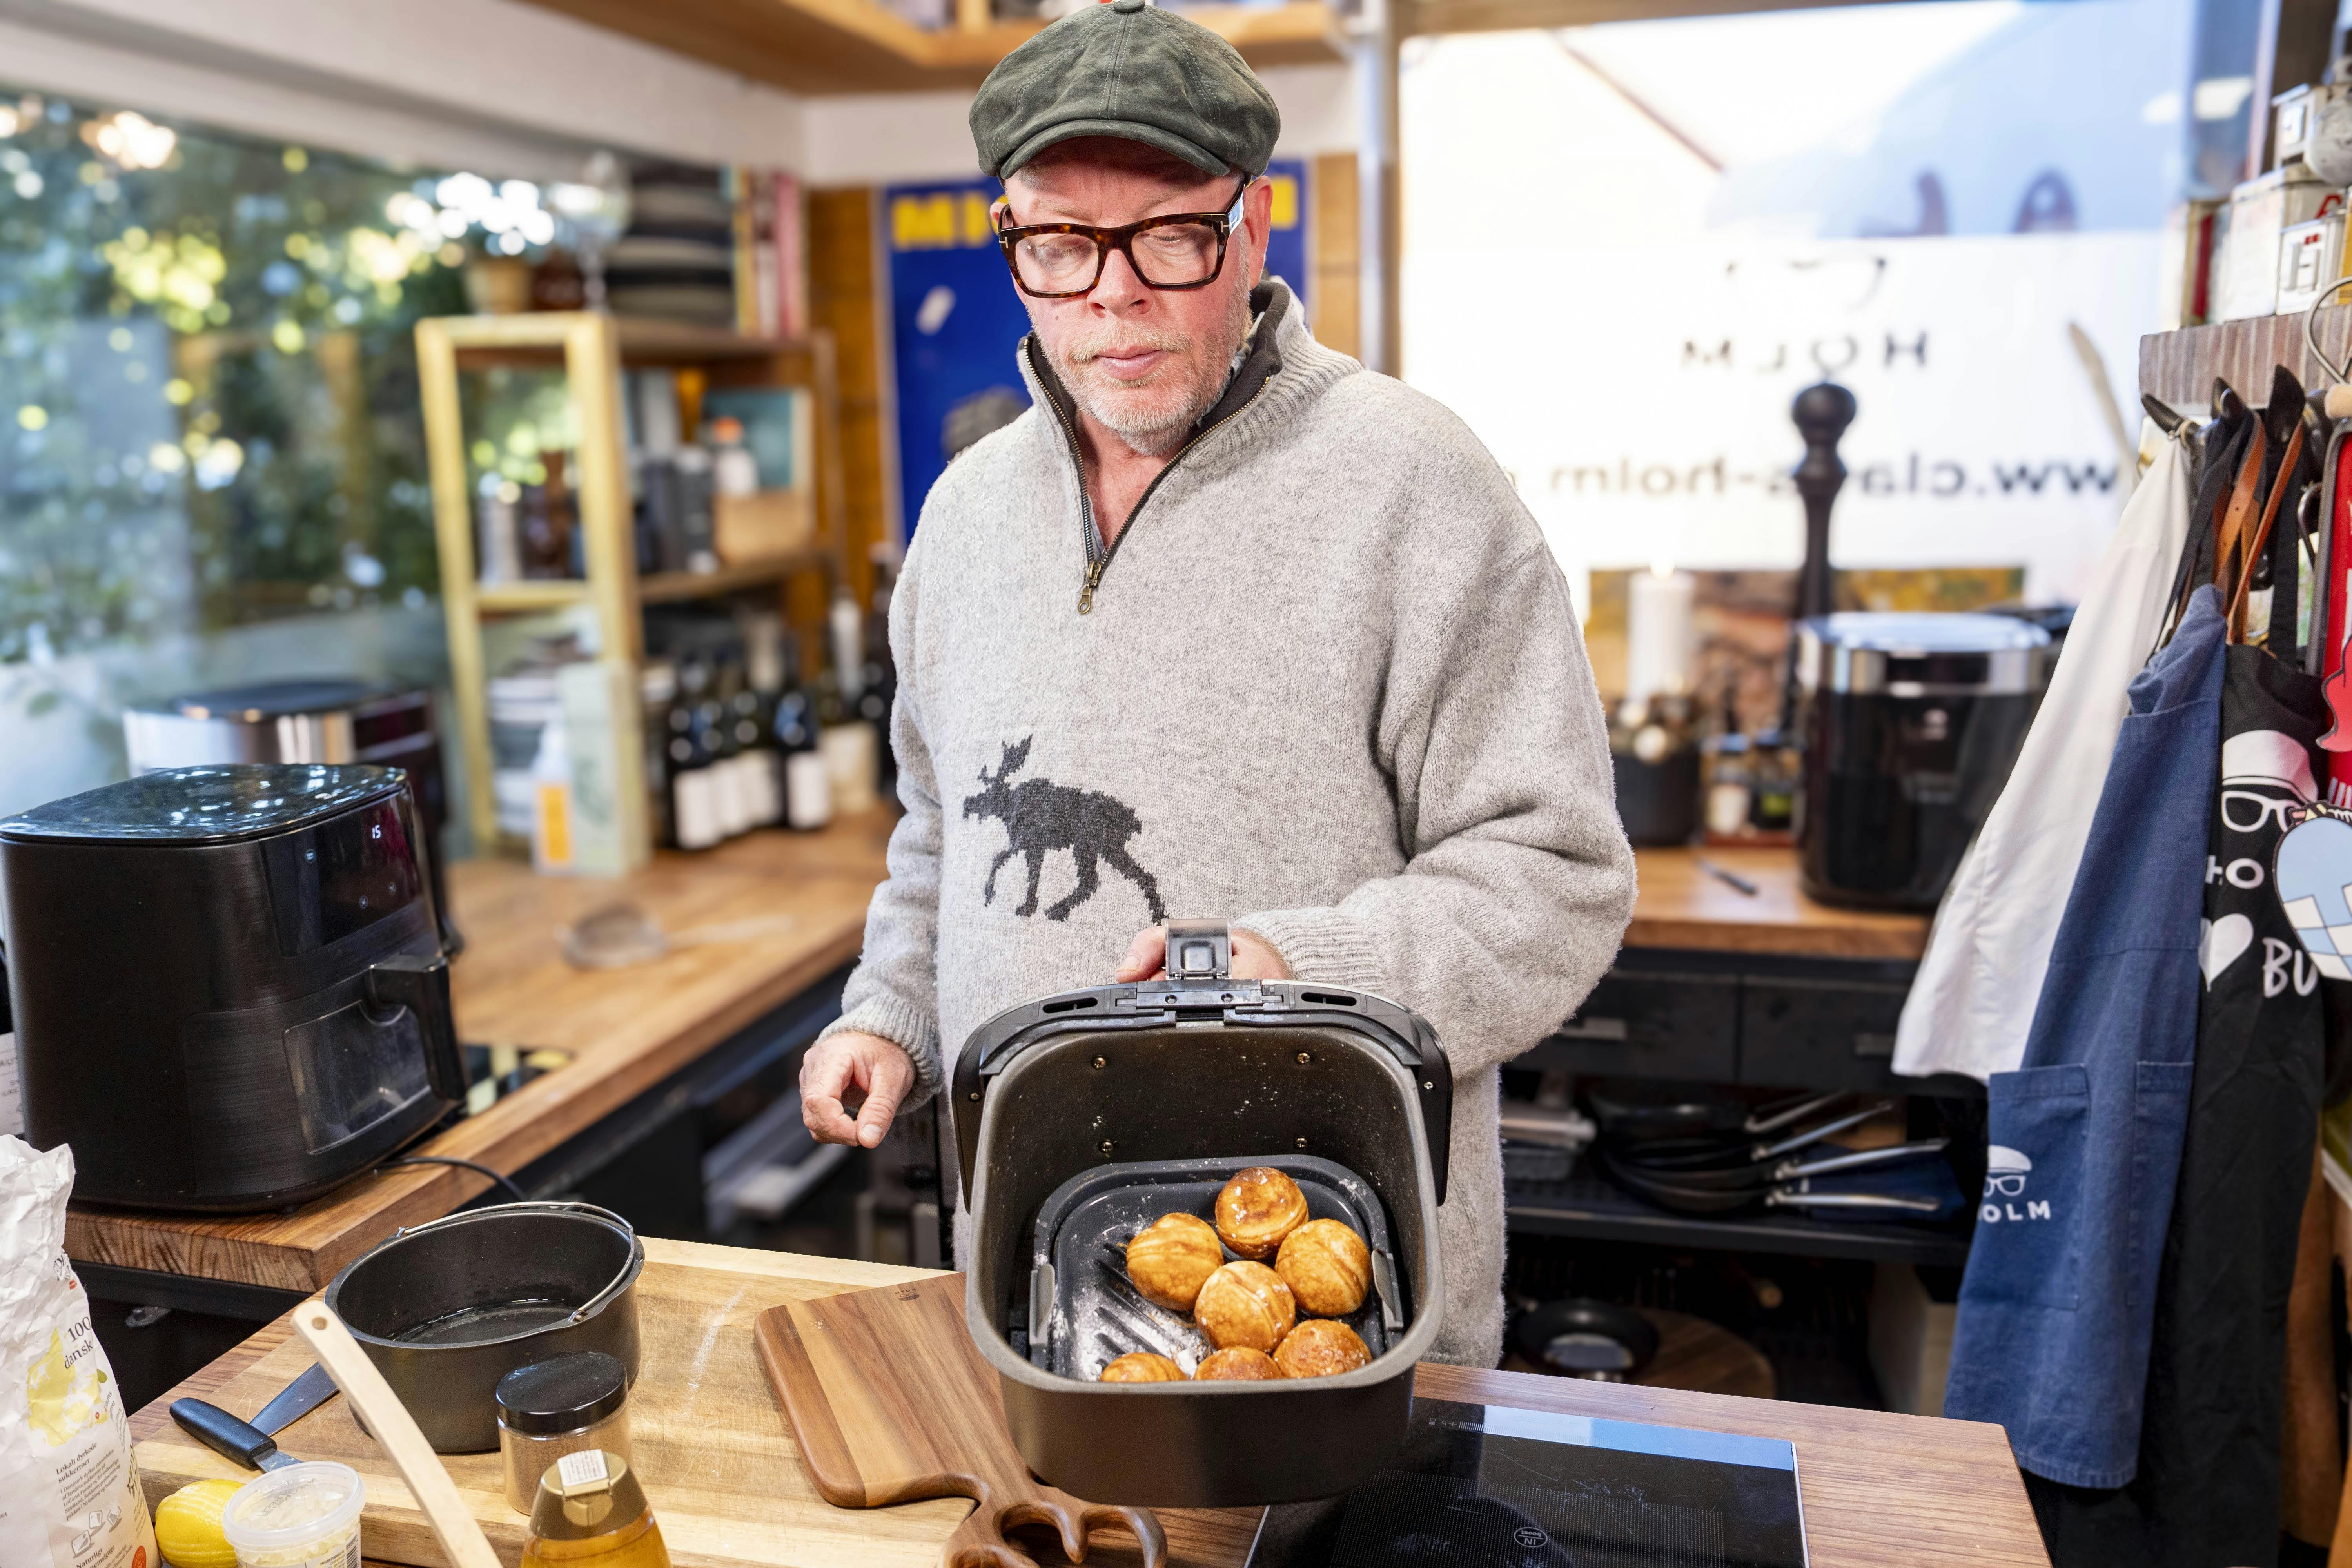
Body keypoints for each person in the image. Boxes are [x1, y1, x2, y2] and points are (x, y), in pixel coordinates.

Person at [799, 0, 1634, 1365]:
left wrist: (1305, 972)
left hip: (1335, 1312)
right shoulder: (960, 517)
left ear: (1252, 228)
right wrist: (891, 1008)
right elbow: (944, 826)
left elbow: (1555, 872)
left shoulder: (1414, 485)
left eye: (1169, 236)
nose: (1112, 294)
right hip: (1034, 1288)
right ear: (1011, 243)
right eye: (1060, 243)